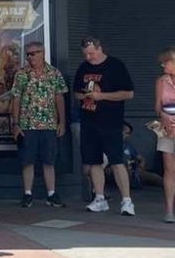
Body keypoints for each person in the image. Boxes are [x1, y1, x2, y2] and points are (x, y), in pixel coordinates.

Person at [74, 37, 135, 215]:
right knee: (94, 161)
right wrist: (86, 95)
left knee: (116, 160)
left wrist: (102, 96)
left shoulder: (115, 66)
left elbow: (128, 93)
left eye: (91, 53)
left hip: (110, 121)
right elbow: (77, 93)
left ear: (100, 48)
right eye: (85, 54)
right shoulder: (83, 68)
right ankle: (99, 197)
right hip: (89, 120)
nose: (89, 57)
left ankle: (126, 200)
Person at [10, 42, 67, 208]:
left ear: (42, 53)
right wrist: (16, 123)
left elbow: (59, 97)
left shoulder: (54, 73)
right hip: (27, 124)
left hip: (49, 124)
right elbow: (16, 98)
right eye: (27, 54)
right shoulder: (22, 74)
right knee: (27, 160)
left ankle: (51, 193)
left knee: (49, 160)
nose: (30, 57)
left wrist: (62, 122)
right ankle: (28, 193)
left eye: (33, 53)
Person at [154, 47, 175, 223]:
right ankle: (169, 209)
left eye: (165, 62)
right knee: (168, 169)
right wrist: (163, 115)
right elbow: (157, 106)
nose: (162, 65)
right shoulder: (161, 81)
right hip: (166, 127)